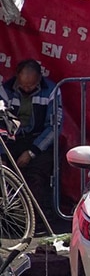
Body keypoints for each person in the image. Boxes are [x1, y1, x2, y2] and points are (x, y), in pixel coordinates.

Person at [0, 59, 58, 207]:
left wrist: (32, 152)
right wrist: (3, 155)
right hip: (11, 139)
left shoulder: (51, 90)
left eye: (31, 85)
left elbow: (54, 127)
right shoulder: (5, 89)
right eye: (23, 85)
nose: (26, 89)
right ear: (17, 78)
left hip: (38, 139)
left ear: (39, 78)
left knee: (35, 176)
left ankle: (34, 217)